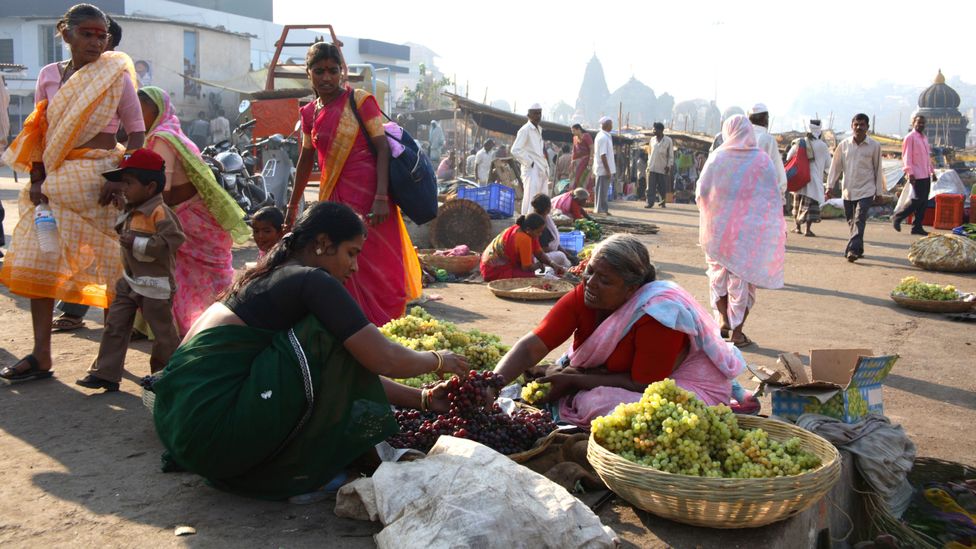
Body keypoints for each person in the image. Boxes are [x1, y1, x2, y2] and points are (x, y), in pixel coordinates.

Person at [152, 201, 469, 500]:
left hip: (183, 429)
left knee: (336, 339)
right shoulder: (311, 280)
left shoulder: (272, 275)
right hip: (214, 434)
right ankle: (299, 470)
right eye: (351, 253)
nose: (355, 267)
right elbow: (382, 357)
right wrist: (439, 359)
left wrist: (423, 399)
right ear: (323, 243)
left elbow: (338, 369)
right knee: (331, 334)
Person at [0, 4, 146, 383]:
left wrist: (119, 176)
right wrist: (36, 179)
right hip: (52, 181)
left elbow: (136, 133)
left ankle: (109, 363)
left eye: (102, 36)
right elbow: (38, 132)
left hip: (99, 180)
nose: (96, 43)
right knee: (40, 260)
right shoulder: (49, 76)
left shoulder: (116, 75)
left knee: (112, 269)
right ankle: (41, 355)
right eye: (87, 34)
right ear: (65, 34)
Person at [493, 235, 746, 429]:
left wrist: (575, 380)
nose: (591, 283)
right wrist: (488, 384)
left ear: (631, 289)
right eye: (589, 271)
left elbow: (645, 384)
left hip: (676, 386)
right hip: (616, 377)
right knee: (562, 379)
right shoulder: (586, 295)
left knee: (608, 407)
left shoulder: (659, 315)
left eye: (605, 280)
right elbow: (531, 347)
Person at [287, 42, 421, 326]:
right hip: (334, 203)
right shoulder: (309, 113)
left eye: (333, 71)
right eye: (319, 71)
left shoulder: (360, 101)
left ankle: (387, 328)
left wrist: (382, 196)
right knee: (337, 261)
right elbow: (305, 160)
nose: (326, 77)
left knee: (379, 266)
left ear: (342, 72)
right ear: (308, 73)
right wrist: (291, 205)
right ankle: (349, 327)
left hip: (372, 200)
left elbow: (382, 149)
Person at [138, 86, 250, 335]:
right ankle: (216, 327)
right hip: (198, 216)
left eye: (140, 109)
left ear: (157, 110)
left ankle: (200, 331)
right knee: (208, 281)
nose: (135, 115)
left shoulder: (161, 139)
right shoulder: (173, 132)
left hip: (187, 221)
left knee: (185, 281)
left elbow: (160, 189)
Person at [75, 149, 185, 391]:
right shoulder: (134, 208)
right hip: (130, 280)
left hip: (155, 285)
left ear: (150, 187)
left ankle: (170, 375)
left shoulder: (160, 213)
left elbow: (173, 241)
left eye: (129, 182)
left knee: (163, 334)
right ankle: (106, 373)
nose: (123, 187)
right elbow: (125, 231)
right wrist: (122, 212)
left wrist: (138, 243)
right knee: (115, 324)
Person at [696, 115, 786, 349]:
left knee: (719, 276)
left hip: (718, 231)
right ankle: (737, 332)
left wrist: (714, 212)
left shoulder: (717, 158)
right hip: (749, 234)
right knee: (744, 281)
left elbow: (701, 192)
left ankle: (725, 321)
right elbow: (772, 196)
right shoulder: (762, 160)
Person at [826, 113, 886, 262]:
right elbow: (835, 167)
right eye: (856, 125)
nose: (859, 127)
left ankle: (852, 250)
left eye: (862, 125)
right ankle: (859, 248)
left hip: (866, 189)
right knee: (852, 221)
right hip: (848, 190)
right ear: (852, 126)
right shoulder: (844, 145)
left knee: (859, 219)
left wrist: (879, 192)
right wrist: (830, 186)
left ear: (867, 127)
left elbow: (878, 169)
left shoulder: (874, 146)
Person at [480, 213, 564, 281]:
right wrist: (539, 266)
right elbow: (526, 268)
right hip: (493, 270)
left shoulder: (528, 232)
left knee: (536, 272)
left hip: (491, 266)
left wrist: (553, 265)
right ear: (528, 230)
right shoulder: (524, 238)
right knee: (533, 278)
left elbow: (539, 253)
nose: (540, 235)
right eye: (538, 232)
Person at [892, 114, 937, 236]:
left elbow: (927, 158)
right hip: (916, 174)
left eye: (923, 123)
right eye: (918, 123)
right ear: (913, 123)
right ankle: (898, 217)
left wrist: (932, 172)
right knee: (917, 199)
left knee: (923, 202)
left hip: (925, 173)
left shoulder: (924, 138)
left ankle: (917, 226)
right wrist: (910, 172)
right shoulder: (910, 138)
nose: (921, 125)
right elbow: (907, 156)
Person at [786, 120, 830, 236]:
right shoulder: (823, 146)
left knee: (797, 203)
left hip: (800, 177)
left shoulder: (800, 142)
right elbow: (827, 165)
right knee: (810, 206)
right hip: (814, 180)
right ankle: (808, 229)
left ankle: (797, 227)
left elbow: (788, 156)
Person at [512, 103, 550, 215]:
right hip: (532, 169)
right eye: (535, 113)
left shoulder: (539, 129)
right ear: (529, 115)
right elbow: (515, 150)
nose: (538, 116)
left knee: (542, 199)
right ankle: (527, 222)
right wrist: (530, 162)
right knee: (531, 198)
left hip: (541, 167)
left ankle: (540, 224)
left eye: (539, 113)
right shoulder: (525, 130)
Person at [747, 103, 788, 203]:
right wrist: (781, 191)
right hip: (762, 193)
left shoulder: (742, 135)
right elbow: (777, 167)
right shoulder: (767, 139)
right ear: (764, 119)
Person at [531, 193, 574, 271]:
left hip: (540, 255)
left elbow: (555, 244)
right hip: (535, 259)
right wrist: (565, 255)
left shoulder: (545, 219)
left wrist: (569, 255)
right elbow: (543, 249)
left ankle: (567, 266)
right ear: (548, 209)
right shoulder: (540, 224)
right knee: (561, 256)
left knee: (565, 254)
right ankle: (568, 269)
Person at [645, 122, 673, 208]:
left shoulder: (668, 140)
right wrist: (648, 164)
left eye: (654, 129)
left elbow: (671, 155)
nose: (653, 131)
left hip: (663, 167)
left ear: (660, 130)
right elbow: (649, 153)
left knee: (662, 187)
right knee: (650, 187)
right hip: (652, 167)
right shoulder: (652, 140)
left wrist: (669, 166)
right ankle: (650, 202)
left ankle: (662, 202)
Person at [593, 116, 615, 215]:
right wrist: (608, 170)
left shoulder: (606, 136)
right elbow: (603, 155)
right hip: (603, 170)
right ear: (606, 125)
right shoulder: (602, 137)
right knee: (601, 192)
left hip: (605, 169)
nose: (612, 126)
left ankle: (604, 209)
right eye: (611, 124)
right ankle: (600, 210)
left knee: (604, 192)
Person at [570, 123, 594, 195]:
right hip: (578, 162)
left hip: (586, 160)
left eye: (574, 131)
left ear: (579, 129)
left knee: (586, 178)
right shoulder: (574, 138)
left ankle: (587, 195)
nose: (572, 133)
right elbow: (574, 151)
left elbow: (592, 148)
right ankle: (576, 194)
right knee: (575, 178)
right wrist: (572, 161)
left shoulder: (586, 136)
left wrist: (591, 159)